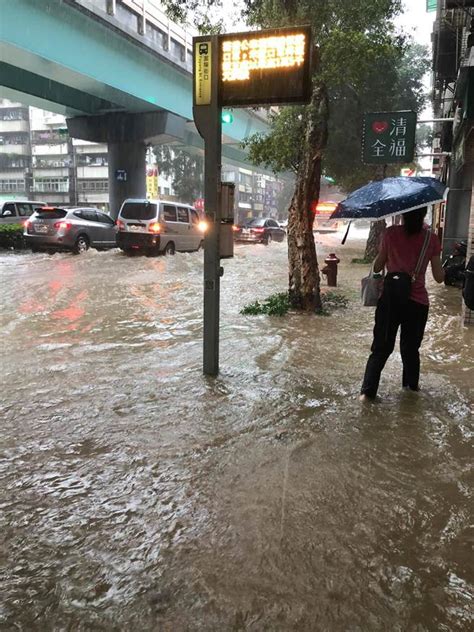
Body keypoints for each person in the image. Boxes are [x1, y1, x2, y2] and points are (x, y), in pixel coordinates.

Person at [360, 207, 445, 401]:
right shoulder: (430, 239)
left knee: (381, 348)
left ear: (404, 213)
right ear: (424, 214)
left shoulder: (390, 233)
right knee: (410, 350)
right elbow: (439, 278)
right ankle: (410, 392)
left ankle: (367, 393)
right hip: (417, 303)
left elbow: (378, 266)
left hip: (389, 300)